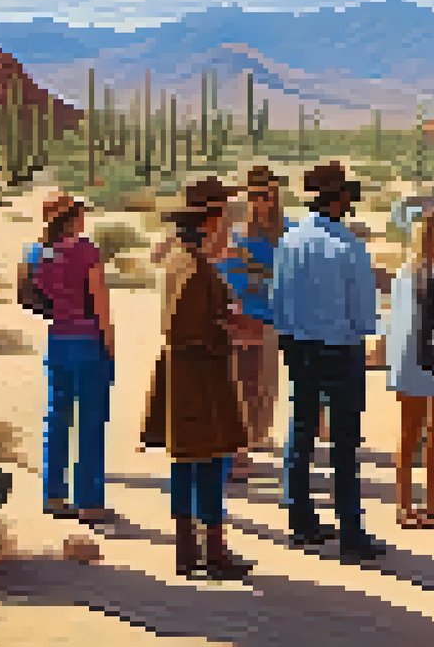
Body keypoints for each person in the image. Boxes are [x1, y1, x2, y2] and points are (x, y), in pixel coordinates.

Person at [271, 161, 385, 562]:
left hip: (298, 344)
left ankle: (300, 520)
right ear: (337, 200)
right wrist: (366, 334)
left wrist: (288, 333)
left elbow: (278, 299)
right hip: (340, 347)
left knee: (301, 428)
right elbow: (364, 311)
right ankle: (351, 530)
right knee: (344, 441)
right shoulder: (349, 247)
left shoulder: (289, 240)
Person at [139, 177, 252, 580]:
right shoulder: (197, 267)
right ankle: (213, 552)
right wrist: (225, 333)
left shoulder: (177, 262)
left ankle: (188, 550)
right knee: (210, 459)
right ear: (206, 225)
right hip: (201, 375)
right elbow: (186, 325)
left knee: (185, 462)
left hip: (182, 374)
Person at [21, 192, 116, 525]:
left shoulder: (35, 251)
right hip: (89, 341)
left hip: (57, 339)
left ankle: (54, 495)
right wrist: (110, 345)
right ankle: (90, 502)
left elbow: (27, 296)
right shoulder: (85, 250)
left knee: (57, 418)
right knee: (91, 422)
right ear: (71, 218)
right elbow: (100, 302)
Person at [384, 199, 434, 528]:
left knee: (410, 434)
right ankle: (428, 503)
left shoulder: (404, 272)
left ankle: (406, 505)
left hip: (407, 359)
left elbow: (398, 320)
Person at [215, 167, 297, 481]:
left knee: (265, 388)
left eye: (267, 196)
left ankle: (249, 441)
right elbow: (223, 273)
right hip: (239, 316)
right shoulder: (236, 234)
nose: (261, 202)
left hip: (272, 319)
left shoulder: (288, 232)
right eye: (255, 196)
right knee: (241, 384)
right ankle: (238, 452)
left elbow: (291, 276)